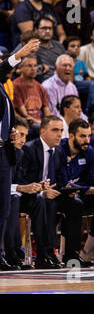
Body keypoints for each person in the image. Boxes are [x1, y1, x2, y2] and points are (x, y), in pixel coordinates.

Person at [17, 115, 92, 268]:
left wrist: (67, 190)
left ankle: (72, 255)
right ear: (42, 131)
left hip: (50, 194)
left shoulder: (58, 153)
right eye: (55, 130)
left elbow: (60, 180)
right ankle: (46, 254)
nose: (59, 134)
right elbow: (21, 180)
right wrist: (42, 191)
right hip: (29, 196)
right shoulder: (29, 149)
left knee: (75, 204)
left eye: (61, 130)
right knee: (46, 202)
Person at [0, 41, 40, 270]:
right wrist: (18, 55)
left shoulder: (3, 89)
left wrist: (11, 131)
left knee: (4, 207)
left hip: (4, 150)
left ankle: (2, 254)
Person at [59, 118, 94, 264]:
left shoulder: (89, 152)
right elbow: (62, 183)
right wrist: (86, 189)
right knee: (75, 204)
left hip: (79, 193)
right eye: (82, 136)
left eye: (89, 136)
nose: (87, 140)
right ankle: (70, 255)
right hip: (60, 194)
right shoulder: (60, 150)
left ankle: (89, 251)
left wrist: (84, 189)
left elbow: (92, 180)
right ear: (71, 136)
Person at [5, 117, 36, 270]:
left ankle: (19, 253)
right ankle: (13, 252)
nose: (23, 140)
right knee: (13, 198)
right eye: (20, 135)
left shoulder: (20, 153)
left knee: (19, 199)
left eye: (25, 135)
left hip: (10, 196)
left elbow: (18, 180)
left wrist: (38, 187)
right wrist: (20, 188)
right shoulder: (3, 152)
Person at [13, 56, 52, 130]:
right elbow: (24, 114)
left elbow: (46, 109)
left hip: (39, 123)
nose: (33, 69)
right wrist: (42, 123)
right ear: (20, 68)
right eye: (29, 66)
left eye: (35, 66)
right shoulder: (16, 86)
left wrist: (50, 122)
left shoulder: (39, 87)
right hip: (25, 124)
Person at [35, 16, 67, 82]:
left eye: (50, 28)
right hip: (40, 83)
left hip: (60, 81)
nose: (47, 31)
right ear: (36, 30)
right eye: (44, 28)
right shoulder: (29, 46)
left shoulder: (59, 46)